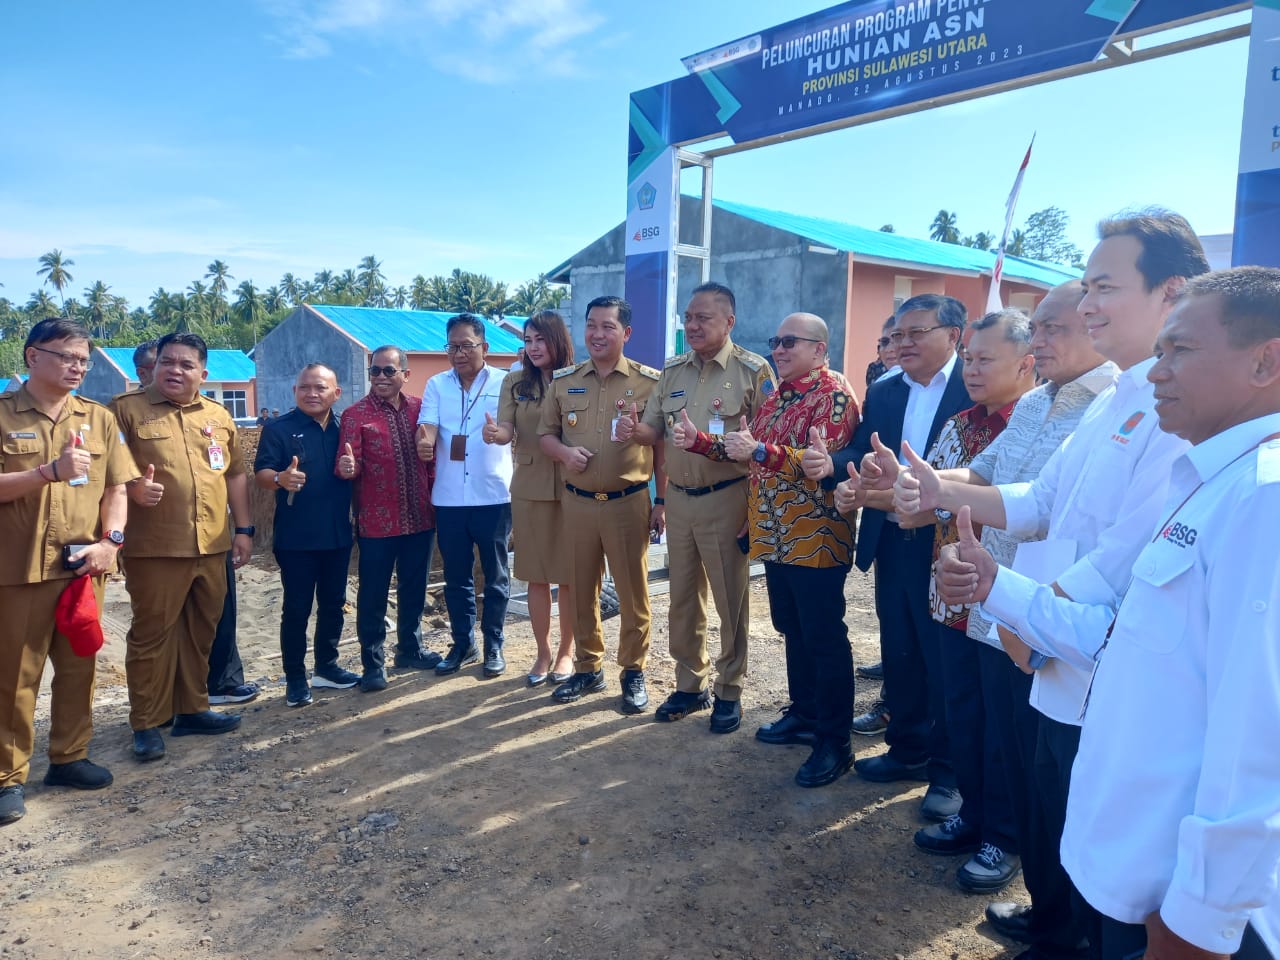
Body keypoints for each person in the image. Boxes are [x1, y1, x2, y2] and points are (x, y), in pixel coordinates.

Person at [941, 267, 1280, 960]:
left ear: (1265, 361)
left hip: (1192, 916)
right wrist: (996, 587)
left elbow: (1261, 745)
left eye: (1179, 350)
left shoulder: (1265, 500)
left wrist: (1201, 919)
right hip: (1143, 876)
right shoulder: (1215, 480)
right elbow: (1123, 642)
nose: (1158, 371)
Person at [911, 210, 1209, 955]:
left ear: (1170, 292)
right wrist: (939, 490)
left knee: (1098, 849)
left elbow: (1117, 563)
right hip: (1047, 647)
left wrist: (1010, 610)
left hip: (1085, 661)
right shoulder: (1116, 400)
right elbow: (1040, 504)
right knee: (1053, 813)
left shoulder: (1174, 412)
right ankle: (1051, 928)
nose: (1088, 305)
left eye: (1104, 287)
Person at [897, 282, 1115, 951]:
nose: (1043, 341)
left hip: (1054, 615)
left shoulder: (1110, 406)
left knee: (1040, 761)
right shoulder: (1044, 405)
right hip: (995, 600)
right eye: (1039, 328)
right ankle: (1012, 859)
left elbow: (1059, 516)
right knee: (988, 732)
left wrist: (941, 491)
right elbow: (994, 478)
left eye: (1054, 328)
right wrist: (930, 487)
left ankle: (1031, 876)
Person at [885, 309, 1036, 894]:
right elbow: (925, 505)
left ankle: (1006, 834)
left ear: (1025, 364)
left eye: (983, 359)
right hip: (951, 596)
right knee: (963, 715)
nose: (970, 369)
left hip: (1008, 603)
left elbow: (1032, 511)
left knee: (1006, 727)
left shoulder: (1035, 424)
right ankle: (974, 816)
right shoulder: (959, 422)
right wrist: (889, 488)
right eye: (968, 358)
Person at [806, 293, 972, 820]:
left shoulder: (977, 386)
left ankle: (949, 773)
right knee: (900, 649)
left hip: (947, 540)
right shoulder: (883, 391)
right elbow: (861, 451)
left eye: (915, 333)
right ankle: (907, 750)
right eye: (897, 334)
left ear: (953, 335)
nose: (902, 344)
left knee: (945, 659)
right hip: (893, 536)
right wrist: (833, 464)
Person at [687, 312, 856, 785]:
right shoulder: (777, 395)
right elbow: (749, 447)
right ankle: (804, 715)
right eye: (775, 341)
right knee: (793, 629)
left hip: (816, 538)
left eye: (790, 342)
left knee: (823, 637)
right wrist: (699, 441)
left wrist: (760, 452)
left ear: (819, 350)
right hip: (776, 537)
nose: (778, 350)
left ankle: (835, 742)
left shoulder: (835, 396)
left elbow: (820, 462)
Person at [0, 318, 137, 825]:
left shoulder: (97, 419)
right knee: (15, 675)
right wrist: (45, 472)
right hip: (18, 568)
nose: (78, 366)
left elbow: (116, 489)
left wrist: (112, 542)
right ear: (33, 356)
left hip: (83, 565)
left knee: (80, 665)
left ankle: (69, 758)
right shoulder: (3, 414)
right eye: (67, 356)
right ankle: (7, 777)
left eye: (83, 358)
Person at [629, 282, 775, 734]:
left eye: (702, 318)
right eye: (688, 317)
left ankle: (729, 690)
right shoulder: (672, 371)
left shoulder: (754, 371)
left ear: (729, 322)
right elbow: (652, 430)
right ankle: (690, 683)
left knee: (730, 597)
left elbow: (767, 445)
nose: (691, 325)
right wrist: (631, 430)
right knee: (682, 597)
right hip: (680, 500)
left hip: (728, 497)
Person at [112, 332, 253, 762]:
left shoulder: (217, 415)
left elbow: (233, 475)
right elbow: (107, 475)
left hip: (211, 544)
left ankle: (191, 708)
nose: (175, 370)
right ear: (153, 367)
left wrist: (244, 529)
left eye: (186, 365)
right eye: (167, 362)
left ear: (203, 374)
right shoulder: (124, 412)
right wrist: (135, 489)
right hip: (155, 546)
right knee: (152, 635)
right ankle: (147, 722)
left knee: (200, 631)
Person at [538, 296, 663, 714]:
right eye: (591, 325)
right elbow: (546, 435)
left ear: (626, 333)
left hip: (628, 504)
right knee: (579, 589)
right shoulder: (565, 380)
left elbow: (661, 447)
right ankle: (588, 668)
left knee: (632, 593)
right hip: (578, 504)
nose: (597, 333)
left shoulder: (650, 383)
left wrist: (660, 500)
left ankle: (633, 671)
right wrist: (563, 455)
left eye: (607, 326)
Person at [336, 345, 439, 692]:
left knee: (415, 588)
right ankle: (373, 664)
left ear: (405, 375)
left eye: (388, 371)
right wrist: (348, 467)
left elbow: (433, 458)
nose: (380, 377)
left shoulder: (421, 410)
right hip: (377, 523)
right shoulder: (355, 415)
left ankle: (410, 649)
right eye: (375, 371)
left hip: (420, 517)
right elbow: (347, 462)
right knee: (373, 594)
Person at [254, 363, 357, 708]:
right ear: (295, 391)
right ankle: (295, 679)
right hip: (296, 538)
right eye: (305, 388)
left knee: (333, 605)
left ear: (336, 393)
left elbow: (359, 469)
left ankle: (326, 667)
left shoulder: (346, 428)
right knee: (296, 610)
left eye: (320, 388)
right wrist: (280, 478)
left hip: (338, 534)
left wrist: (352, 471)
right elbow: (262, 473)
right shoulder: (279, 429)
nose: (312, 394)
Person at [416, 314, 513, 678]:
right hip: (450, 497)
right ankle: (462, 643)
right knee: (457, 576)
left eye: (466, 346)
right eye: (452, 346)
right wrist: (423, 443)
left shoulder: (505, 382)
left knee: (496, 574)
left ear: (484, 347)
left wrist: (500, 434)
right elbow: (427, 426)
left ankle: (493, 643)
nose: (458, 353)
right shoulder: (437, 385)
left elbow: (511, 426)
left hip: (493, 494)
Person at [483, 311, 576, 686]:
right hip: (530, 487)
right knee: (536, 576)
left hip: (575, 484)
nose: (533, 347)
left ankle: (568, 653)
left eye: (540, 339)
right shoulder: (515, 381)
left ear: (558, 341)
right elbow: (507, 426)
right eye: (528, 340)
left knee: (570, 575)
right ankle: (543, 652)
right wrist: (496, 434)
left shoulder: (579, 378)